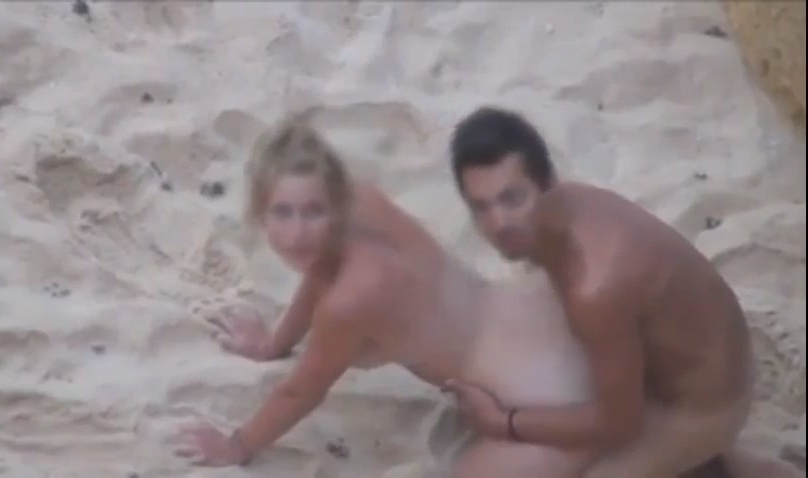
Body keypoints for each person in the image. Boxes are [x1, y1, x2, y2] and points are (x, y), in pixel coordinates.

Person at [171, 109, 600, 476]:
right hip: (548, 327)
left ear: (334, 204)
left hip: (545, 404)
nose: (297, 233)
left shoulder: (352, 299)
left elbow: (300, 391)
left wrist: (237, 445)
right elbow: (320, 269)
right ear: (259, 212)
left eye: (312, 212)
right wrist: (274, 344)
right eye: (283, 213)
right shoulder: (362, 203)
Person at [442, 106, 803, 477]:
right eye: (480, 208)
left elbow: (620, 424)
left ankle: (720, 456)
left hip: (707, 404)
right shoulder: (568, 207)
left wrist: (504, 422)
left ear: (547, 183)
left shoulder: (593, 285)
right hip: (685, 355)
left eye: (512, 199)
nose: (498, 224)